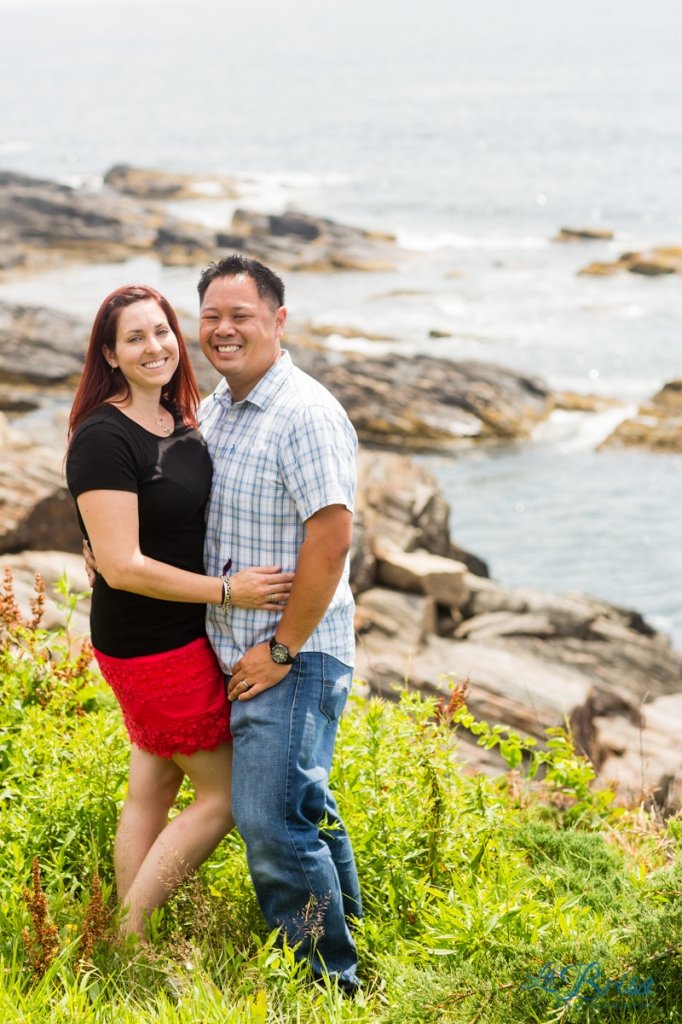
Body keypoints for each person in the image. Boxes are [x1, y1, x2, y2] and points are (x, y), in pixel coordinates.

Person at [66, 285, 293, 939]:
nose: (154, 347)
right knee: (225, 798)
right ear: (110, 355)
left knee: (154, 787)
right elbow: (122, 566)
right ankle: (130, 935)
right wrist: (228, 592)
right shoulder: (104, 435)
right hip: (152, 644)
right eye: (134, 338)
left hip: (175, 633)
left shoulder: (178, 416)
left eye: (162, 331)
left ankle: (126, 941)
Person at [196, 255, 362, 991]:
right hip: (241, 650)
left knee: (270, 821)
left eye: (242, 316)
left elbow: (332, 540)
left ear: (279, 320)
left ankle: (326, 981)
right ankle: (356, 939)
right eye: (212, 316)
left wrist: (283, 650)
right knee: (303, 807)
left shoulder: (305, 413)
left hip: (296, 654)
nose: (224, 330)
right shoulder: (215, 407)